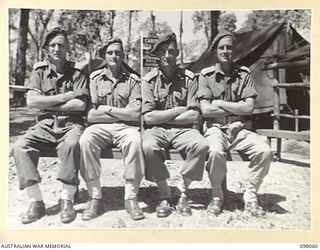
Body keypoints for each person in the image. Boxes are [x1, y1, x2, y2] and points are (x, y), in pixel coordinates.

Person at [12, 27, 89, 224]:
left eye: (61, 45)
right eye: (53, 45)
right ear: (47, 49)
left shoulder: (77, 72)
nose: (57, 49)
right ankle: (36, 201)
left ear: (67, 48)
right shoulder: (39, 72)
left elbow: (80, 105)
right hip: (45, 123)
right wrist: (64, 97)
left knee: (72, 145)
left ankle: (67, 199)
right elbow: (31, 102)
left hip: (72, 123)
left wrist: (47, 100)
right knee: (20, 146)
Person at [198, 31, 273, 217]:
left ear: (234, 50)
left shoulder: (244, 74)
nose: (225, 51)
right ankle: (217, 195)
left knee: (265, 151)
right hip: (215, 129)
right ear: (215, 51)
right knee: (215, 152)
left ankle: (250, 194)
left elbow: (248, 108)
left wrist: (220, 103)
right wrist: (236, 107)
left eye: (229, 47)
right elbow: (206, 111)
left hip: (240, 129)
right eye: (221, 48)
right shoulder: (206, 76)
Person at [142, 33, 208, 218]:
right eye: (162, 52)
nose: (167, 56)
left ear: (177, 53)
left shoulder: (189, 78)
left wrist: (162, 117)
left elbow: (194, 114)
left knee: (201, 144)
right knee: (147, 145)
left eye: (171, 51)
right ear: (157, 56)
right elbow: (148, 118)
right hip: (157, 131)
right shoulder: (148, 81)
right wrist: (179, 110)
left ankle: (181, 192)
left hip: (183, 130)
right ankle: (164, 194)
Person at [79, 37, 145, 221]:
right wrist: (123, 112)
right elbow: (91, 115)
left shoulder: (133, 80)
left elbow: (135, 114)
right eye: (110, 52)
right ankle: (95, 198)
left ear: (123, 55)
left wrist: (106, 109)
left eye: (118, 52)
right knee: (85, 140)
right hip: (99, 128)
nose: (114, 56)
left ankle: (131, 198)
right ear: (104, 56)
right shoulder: (95, 78)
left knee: (135, 140)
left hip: (125, 129)